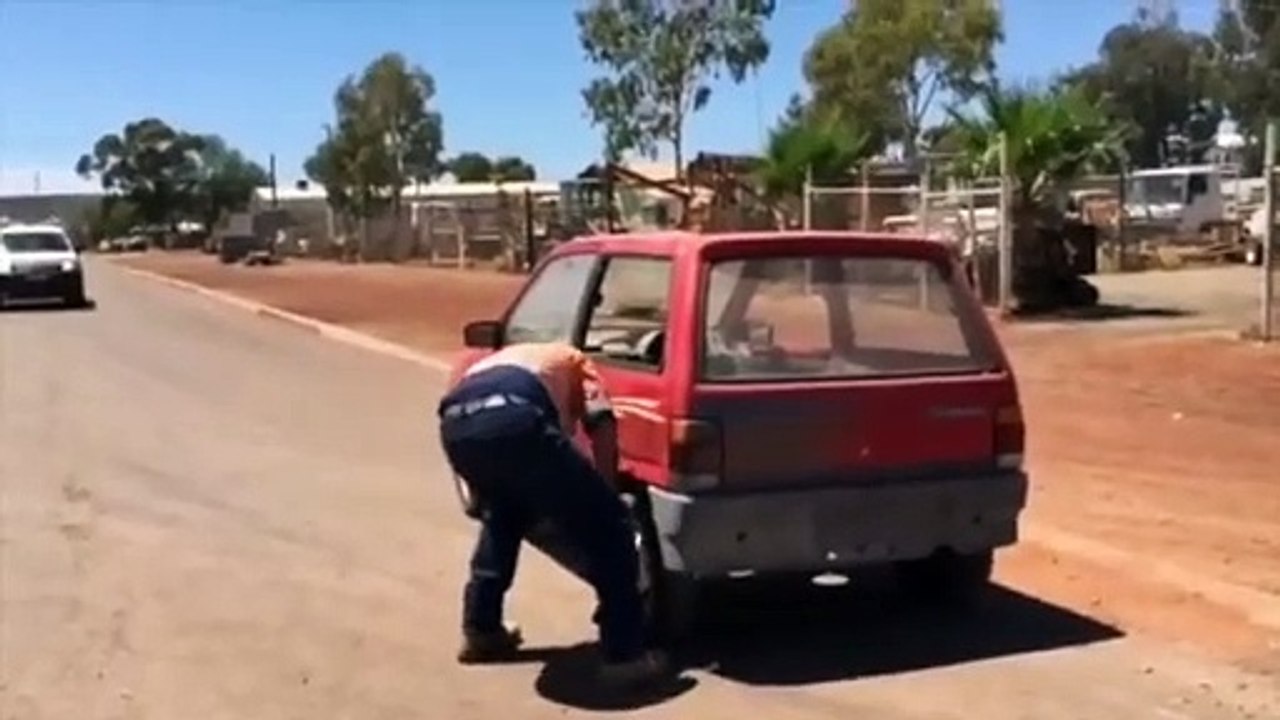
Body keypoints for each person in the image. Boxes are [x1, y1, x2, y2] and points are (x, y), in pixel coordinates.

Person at [437, 341, 667, 686]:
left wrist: (478, 489)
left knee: (503, 516)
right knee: (612, 525)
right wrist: (607, 495)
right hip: (515, 420)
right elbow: (602, 423)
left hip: (457, 427)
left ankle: (481, 630)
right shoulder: (576, 361)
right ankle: (624, 654)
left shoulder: (500, 361)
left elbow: (459, 412)